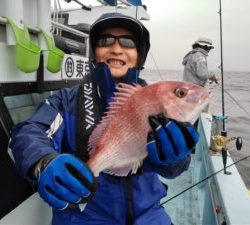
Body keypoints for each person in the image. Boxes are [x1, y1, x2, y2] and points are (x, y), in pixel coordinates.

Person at [10, 12, 198, 225]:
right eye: (105, 41)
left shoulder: (155, 99)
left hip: (150, 215)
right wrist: (42, 161)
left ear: (139, 54)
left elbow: (177, 168)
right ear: (94, 52)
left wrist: (174, 159)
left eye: (127, 42)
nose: (116, 49)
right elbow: (28, 131)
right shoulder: (66, 100)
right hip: (83, 217)